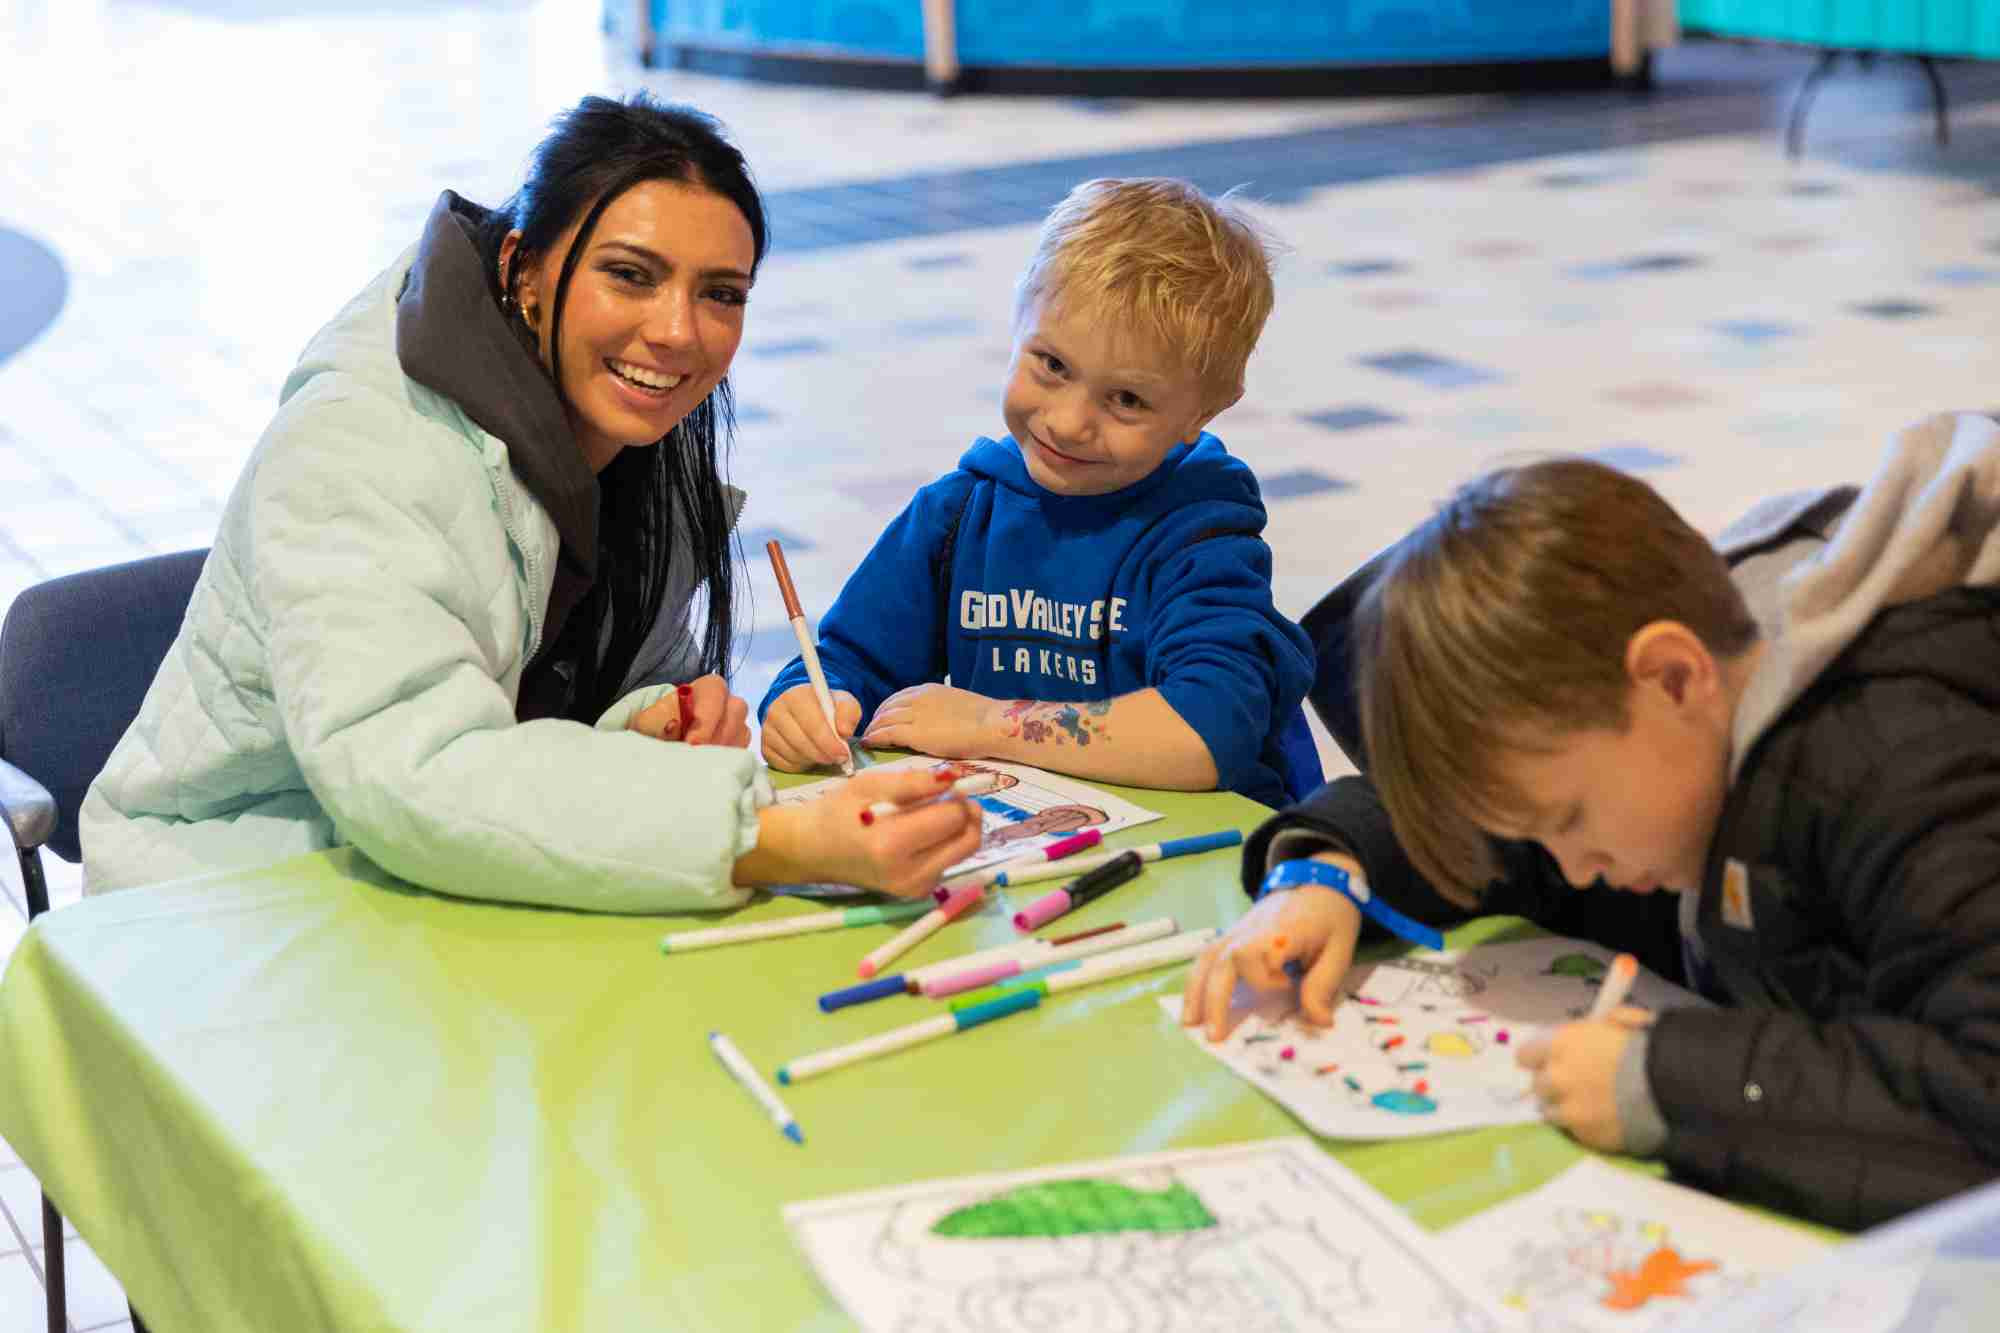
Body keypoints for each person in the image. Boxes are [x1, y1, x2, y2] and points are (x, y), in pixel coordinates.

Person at [81, 93, 980, 907]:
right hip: (225, 901)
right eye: (631, 274)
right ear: (524, 270)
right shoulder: (358, 444)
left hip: (418, 875)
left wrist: (649, 720)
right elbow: (416, 773)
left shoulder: (639, 442)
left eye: (721, 294)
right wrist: (769, 838)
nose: (677, 332)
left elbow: (528, 714)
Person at [1183, 412, 2000, 1230]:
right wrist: (1329, 869)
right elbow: (1500, 825)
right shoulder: (1666, 735)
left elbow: (1981, 1096)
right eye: (1546, 830)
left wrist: (1670, 1081)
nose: (1571, 867)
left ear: (1675, 677)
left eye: (1570, 819)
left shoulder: (1897, 763)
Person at [757, 178, 1316, 808]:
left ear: (1204, 413)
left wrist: (989, 726)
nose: (1069, 422)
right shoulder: (957, 514)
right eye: (1051, 365)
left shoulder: (1201, 536)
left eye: (1127, 399)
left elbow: (1205, 733)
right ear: (1018, 324)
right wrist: (807, 706)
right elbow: (844, 663)